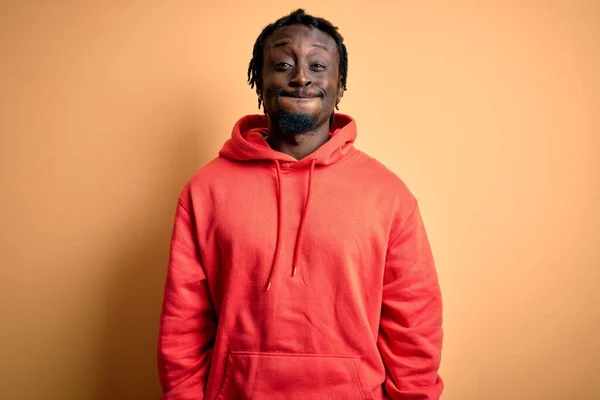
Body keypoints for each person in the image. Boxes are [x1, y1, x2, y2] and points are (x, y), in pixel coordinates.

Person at [157, 8, 443, 400]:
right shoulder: (205, 191)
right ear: (259, 81)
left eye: (318, 64)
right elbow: (182, 327)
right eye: (283, 64)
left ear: (340, 85)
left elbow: (415, 326)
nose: (301, 77)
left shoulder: (388, 195)